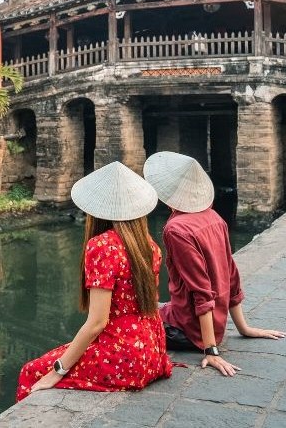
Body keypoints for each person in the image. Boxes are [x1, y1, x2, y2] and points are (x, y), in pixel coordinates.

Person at [16, 161, 173, 401]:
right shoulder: (149, 245)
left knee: (31, 372)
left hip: (123, 358)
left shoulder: (102, 246)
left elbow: (98, 322)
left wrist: (58, 371)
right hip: (153, 352)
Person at [144, 151, 286, 376]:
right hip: (210, 324)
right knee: (158, 307)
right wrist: (243, 328)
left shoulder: (176, 230)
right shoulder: (214, 217)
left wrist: (210, 350)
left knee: (128, 321)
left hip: (188, 331)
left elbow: (201, 290)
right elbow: (231, 275)